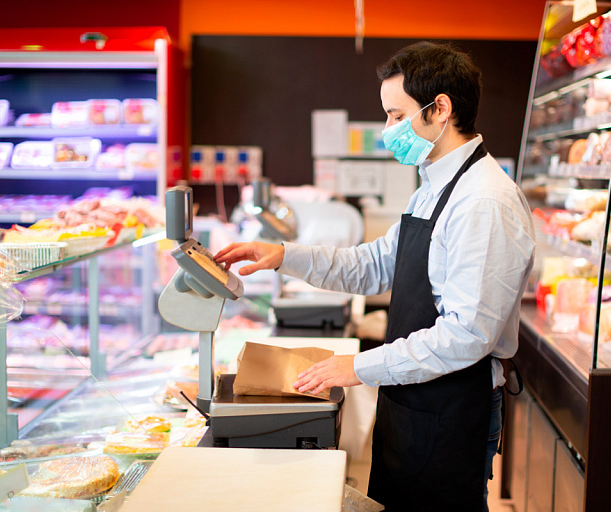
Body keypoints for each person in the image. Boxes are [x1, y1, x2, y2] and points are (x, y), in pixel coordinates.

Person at [214, 41, 535, 512]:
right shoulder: (432, 187)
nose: (388, 130)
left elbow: (468, 334)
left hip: (451, 408)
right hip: (415, 399)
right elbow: (373, 266)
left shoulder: (484, 201)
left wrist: (358, 367)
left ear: (440, 109)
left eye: (395, 114)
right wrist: (284, 255)